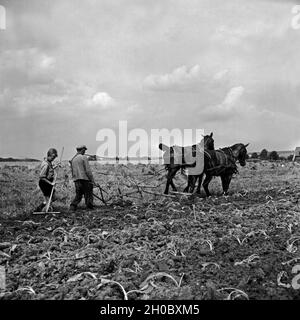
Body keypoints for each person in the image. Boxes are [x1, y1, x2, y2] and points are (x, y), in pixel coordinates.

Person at [69, 145, 95, 211]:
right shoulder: (84, 157)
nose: (85, 151)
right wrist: (92, 180)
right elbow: (88, 171)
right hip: (84, 179)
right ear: (82, 150)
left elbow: (72, 171)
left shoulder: (73, 159)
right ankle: (89, 207)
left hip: (76, 180)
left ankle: (72, 206)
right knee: (88, 193)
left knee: (78, 195)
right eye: (84, 150)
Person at [35, 148, 59, 212]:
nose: (53, 159)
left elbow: (49, 171)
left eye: (54, 158)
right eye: (53, 157)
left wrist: (55, 167)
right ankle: (43, 211)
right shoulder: (45, 164)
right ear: (49, 155)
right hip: (44, 183)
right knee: (49, 200)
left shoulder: (49, 162)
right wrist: (51, 183)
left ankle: (43, 207)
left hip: (48, 182)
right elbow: (42, 177)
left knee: (53, 198)